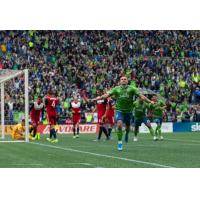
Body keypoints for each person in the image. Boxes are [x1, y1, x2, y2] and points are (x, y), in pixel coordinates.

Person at [92, 76, 153, 151]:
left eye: (125, 79)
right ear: (120, 81)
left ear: (127, 81)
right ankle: (120, 142)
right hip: (120, 110)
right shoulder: (116, 89)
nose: (123, 80)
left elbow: (142, 96)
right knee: (119, 124)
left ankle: (126, 134)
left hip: (129, 111)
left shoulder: (132, 89)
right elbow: (106, 95)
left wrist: (150, 101)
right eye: (122, 79)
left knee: (127, 127)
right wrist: (97, 98)